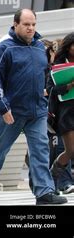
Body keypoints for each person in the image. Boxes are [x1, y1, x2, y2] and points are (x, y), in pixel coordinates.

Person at [0, 9, 67, 205]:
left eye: (33, 24)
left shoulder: (38, 46)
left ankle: (43, 192)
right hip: (11, 112)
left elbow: (43, 73)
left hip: (37, 111)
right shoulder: (3, 47)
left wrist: (44, 90)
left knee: (41, 150)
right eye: (26, 24)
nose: (31, 28)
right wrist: (2, 107)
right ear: (15, 24)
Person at [47, 32, 74, 194]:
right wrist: (68, 86)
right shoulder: (58, 65)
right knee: (71, 151)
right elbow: (50, 90)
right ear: (69, 47)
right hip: (67, 113)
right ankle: (51, 177)